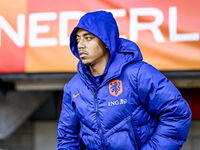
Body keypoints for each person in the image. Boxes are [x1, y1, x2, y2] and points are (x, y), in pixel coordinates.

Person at [57, 10, 192, 150]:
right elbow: (67, 138)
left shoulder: (138, 73)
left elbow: (177, 113)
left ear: (106, 41)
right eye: (78, 39)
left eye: (88, 38)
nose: (80, 45)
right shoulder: (73, 87)